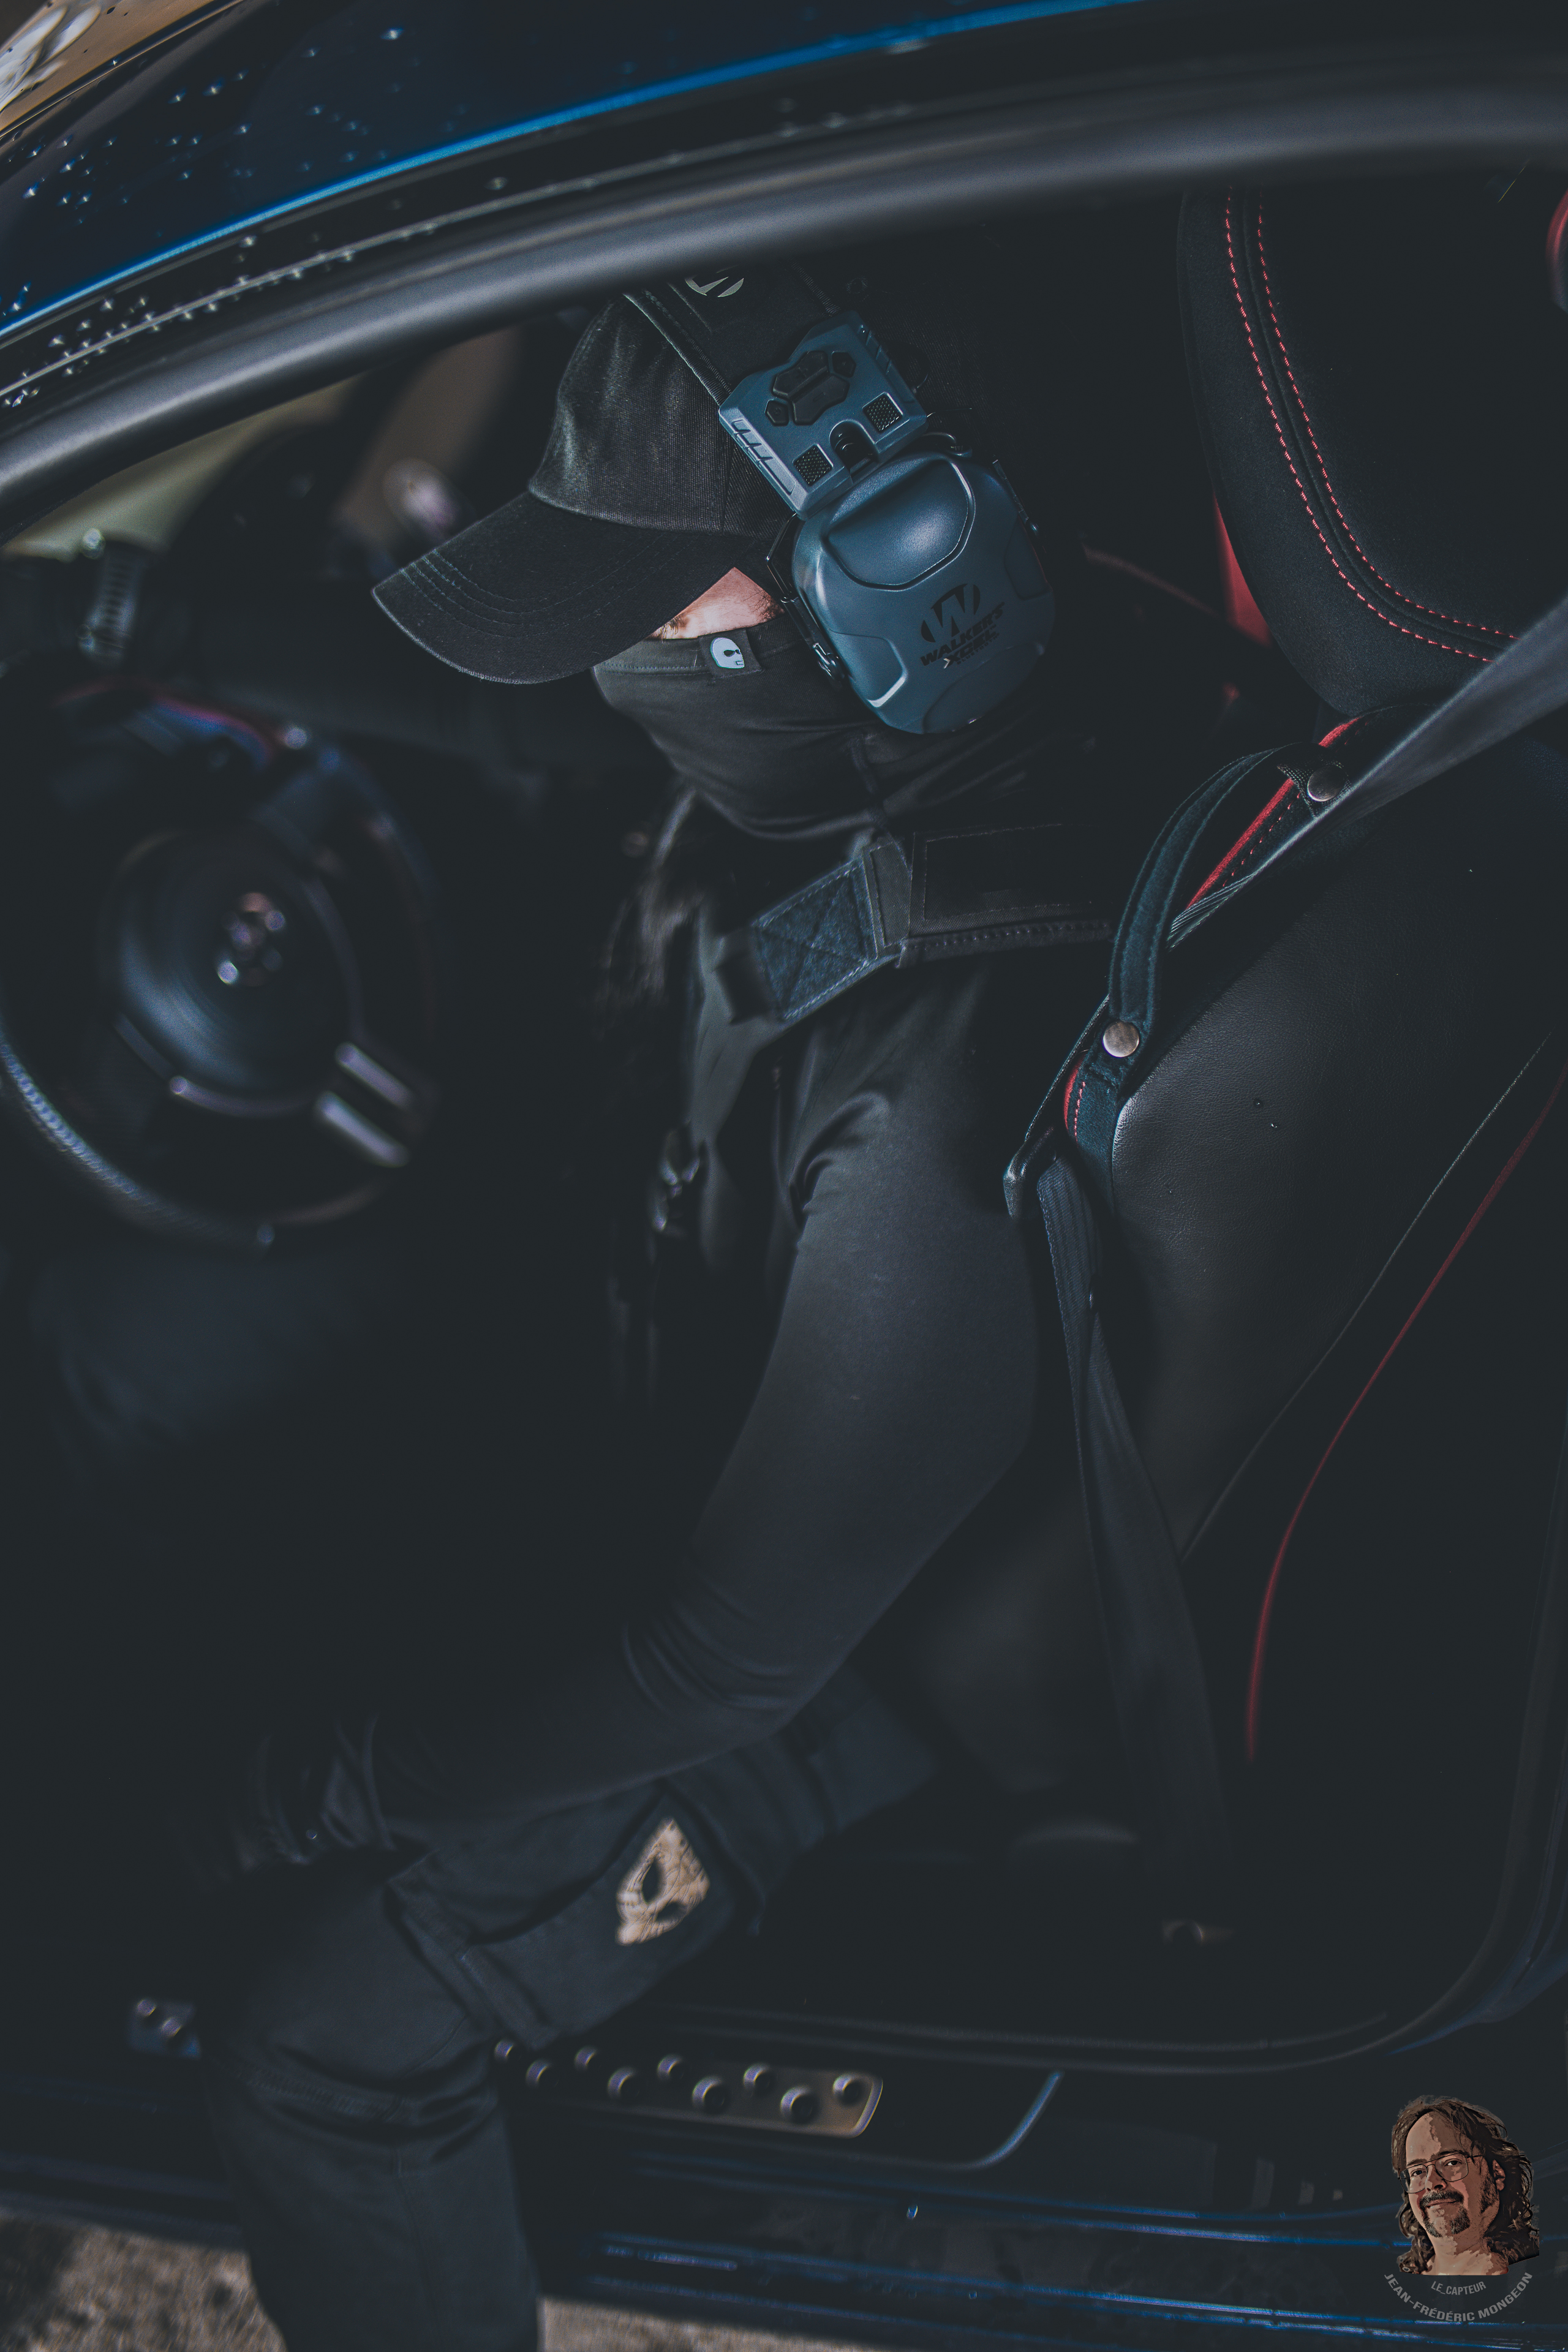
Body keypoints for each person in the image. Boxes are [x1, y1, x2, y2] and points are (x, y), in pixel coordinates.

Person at [1, 251, 1274, 2351]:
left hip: (845, 1670)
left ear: (904, 582)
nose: (620, 664)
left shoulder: (955, 1109)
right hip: (644, 1333)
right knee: (93, 1354)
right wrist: (103, 614)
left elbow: (718, 1657)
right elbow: (528, 721)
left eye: (659, 613)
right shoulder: (892, 738)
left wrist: (298, 1790)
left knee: (322, 2054)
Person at [1392, 2098, 1538, 2277]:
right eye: (1417, 2172)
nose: (1431, 2183)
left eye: (1452, 2162)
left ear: (1497, 2175)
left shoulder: (1544, 2270)